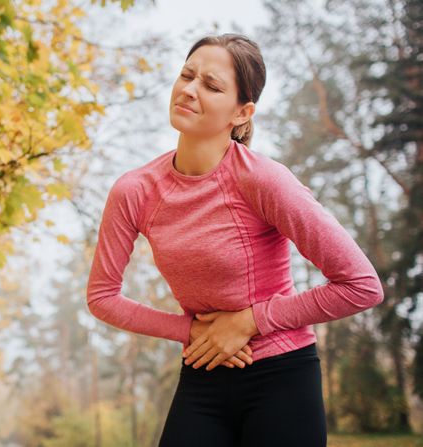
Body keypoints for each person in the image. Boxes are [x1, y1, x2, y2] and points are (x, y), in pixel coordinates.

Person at [85, 33, 384, 447]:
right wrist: (188, 331)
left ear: (242, 112)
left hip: (282, 376)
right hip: (203, 373)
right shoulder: (135, 190)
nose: (189, 89)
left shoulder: (262, 180)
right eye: (187, 75)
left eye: (211, 85)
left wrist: (248, 321)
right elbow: (102, 296)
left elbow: (361, 286)